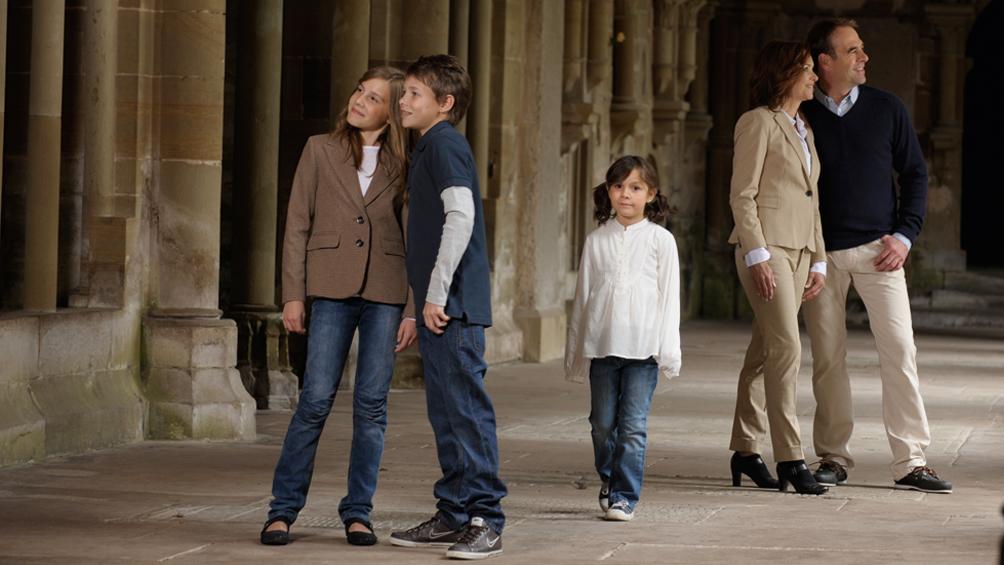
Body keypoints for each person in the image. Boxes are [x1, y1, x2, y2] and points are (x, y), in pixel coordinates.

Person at [260, 66, 417, 547]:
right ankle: (282, 510)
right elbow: (296, 225)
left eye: (372, 98)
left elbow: (417, 237)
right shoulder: (319, 149)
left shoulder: (406, 164)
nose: (358, 101)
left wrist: (411, 307)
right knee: (314, 400)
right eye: (359, 92)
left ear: (390, 114)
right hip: (328, 289)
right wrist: (292, 293)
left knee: (371, 406)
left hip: (385, 293)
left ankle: (358, 512)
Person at [801, 19, 952, 493]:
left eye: (863, 49)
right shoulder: (801, 114)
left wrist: (905, 236)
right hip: (820, 254)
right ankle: (833, 457)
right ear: (825, 62)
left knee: (900, 350)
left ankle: (911, 460)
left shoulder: (888, 108)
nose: (864, 57)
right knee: (828, 358)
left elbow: (916, 176)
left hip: (878, 252)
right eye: (852, 51)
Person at [388, 54, 507, 560]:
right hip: (440, 305)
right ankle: (454, 513)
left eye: (415, 92)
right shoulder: (430, 147)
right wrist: (418, 306)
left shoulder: (445, 145)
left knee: (466, 411)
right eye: (405, 91)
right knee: (445, 413)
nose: (403, 100)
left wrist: (435, 294)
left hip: (454, 306)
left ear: (445, 103)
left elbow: (460, 219)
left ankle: (486, 518)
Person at [727, 41, 828, 495]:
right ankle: (791, 457)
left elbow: (812, 201)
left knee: (765, 350)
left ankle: (746, 450)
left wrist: (820, 257)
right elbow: (742, 196)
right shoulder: (757, 123)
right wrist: (757, 254)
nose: (815, 77)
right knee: (788, 348)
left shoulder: (802, 128)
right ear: (784, 74)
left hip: (801, 250)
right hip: (767, 250)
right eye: (807, 69)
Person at [565, 155, 681, 522]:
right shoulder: (597, 241)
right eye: (618, 186)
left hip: (643, 349)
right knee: (601, 424)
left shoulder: (662, 241)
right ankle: (609, 477)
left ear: (650, 194)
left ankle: (624, 496)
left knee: (633, 426)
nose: (625, 194)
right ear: (608, 192)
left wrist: (668, 351)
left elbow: (669, 297)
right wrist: (575, 353)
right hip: (603, 346)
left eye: (635, 187)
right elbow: (583, 298)